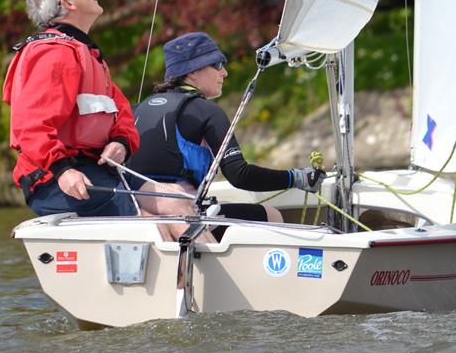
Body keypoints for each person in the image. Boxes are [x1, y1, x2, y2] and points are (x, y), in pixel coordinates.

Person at [128, 32, 326, 229]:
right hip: (182, 218)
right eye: (218, 65)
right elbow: (239, 174)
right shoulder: (206, 112)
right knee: (271, 215)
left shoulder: (135, 109)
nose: (224, 73)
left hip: (134, 216)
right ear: (192, 72)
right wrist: (298, 178)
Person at [3, 0, 144, 217]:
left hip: (96, 170)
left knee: (177, 203)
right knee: (156, 219)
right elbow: (31, 127)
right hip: (58, 179)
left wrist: (121, 142)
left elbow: (122, 113)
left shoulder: (88, 56)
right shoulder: (54, 54)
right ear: (67, 2)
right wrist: (62, 170)